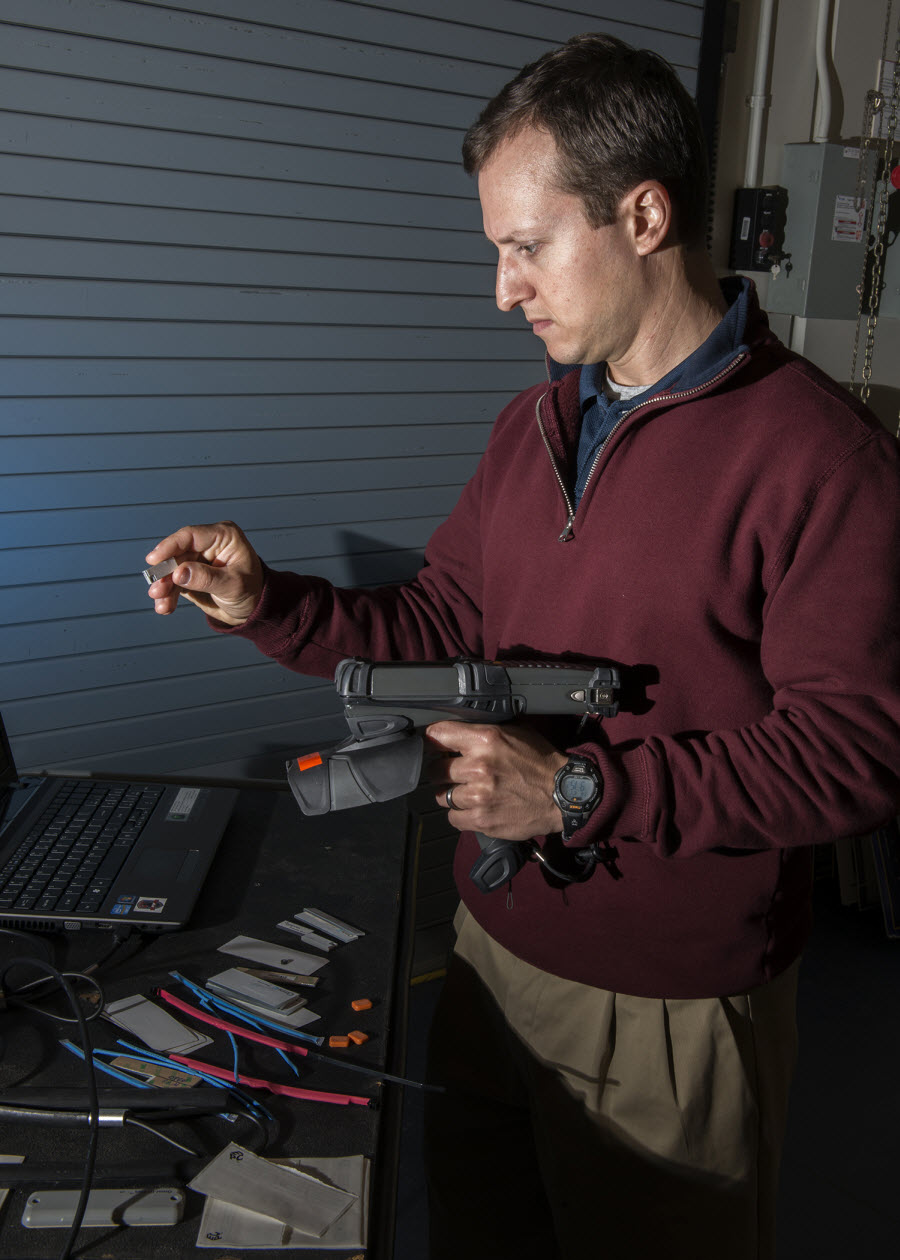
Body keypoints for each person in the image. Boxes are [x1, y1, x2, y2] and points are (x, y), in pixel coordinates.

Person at [146, 33, 900, 1260]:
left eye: (527, 246)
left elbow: (858, 752)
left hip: (669, 1001)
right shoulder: (537, 422)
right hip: (495, 954)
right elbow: (443, 621)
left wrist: (582, 790)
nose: (504, 288)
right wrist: (267, 603)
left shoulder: (824, 462)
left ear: (643, 215)